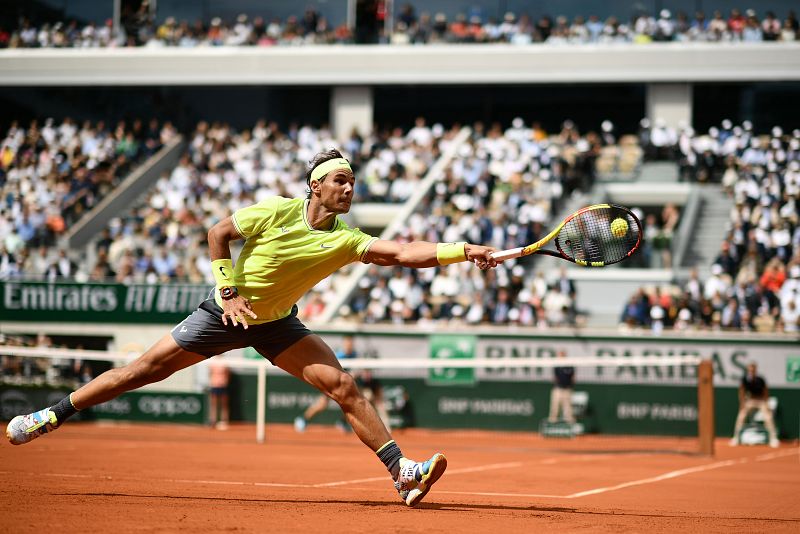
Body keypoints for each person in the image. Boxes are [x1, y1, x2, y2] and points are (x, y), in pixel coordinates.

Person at [5, 148, 500, 507]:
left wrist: (463, 251)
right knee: (141, 372)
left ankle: (402, 472)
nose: (350, 188)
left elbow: (401, 253)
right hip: (223, 314)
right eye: (341, 180)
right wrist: (226, 290)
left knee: (344, 386)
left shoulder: (347, 240)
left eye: (353, 181)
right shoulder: (276, 210)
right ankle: (50, 415)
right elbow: (217, 233)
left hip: (277, 327)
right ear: (317, 186)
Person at [293, 334, 357, 432]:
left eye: (351, 342)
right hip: (332, 383)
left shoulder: (354, 355)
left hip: (344, 385)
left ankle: (342, 422)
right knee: (322, 404)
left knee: (350, 404)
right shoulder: (340, 355)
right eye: (347, 342)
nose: (349, 344)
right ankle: (303, 419)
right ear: (344, 343)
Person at [730, 362, 779, 448]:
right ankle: (736, 437)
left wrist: (766, 403)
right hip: (750, 401)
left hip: (761, 401)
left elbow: (765, 391)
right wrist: (742, 403)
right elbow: (741, 391)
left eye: (753, 369)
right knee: (741, 416)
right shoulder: (745, 379)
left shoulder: (760, 379)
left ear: (755, 370)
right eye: (750, 369)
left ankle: (773, 438)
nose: (751, 371)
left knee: (768, 417)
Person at [547, 350, 575, 424]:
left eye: (562, 355)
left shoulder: (569, 365)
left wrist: (568, 386)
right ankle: (552, 422)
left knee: (568, 408)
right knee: (555, 407)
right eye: (559, 355)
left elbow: (573, 377)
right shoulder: (556, 366)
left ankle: (570, 424)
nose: (560, 357)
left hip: (567, 389)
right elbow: (554, 377)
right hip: (558, 389)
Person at [208, 356, 230, 430]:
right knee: (213, 404)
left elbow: (227, 373)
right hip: (214, 385)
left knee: (224, 404)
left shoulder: (224, 361)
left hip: (223, 385)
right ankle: (213, 421)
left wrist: (225, 381)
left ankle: (224, 421)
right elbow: (210, 372)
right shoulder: (212, 360)